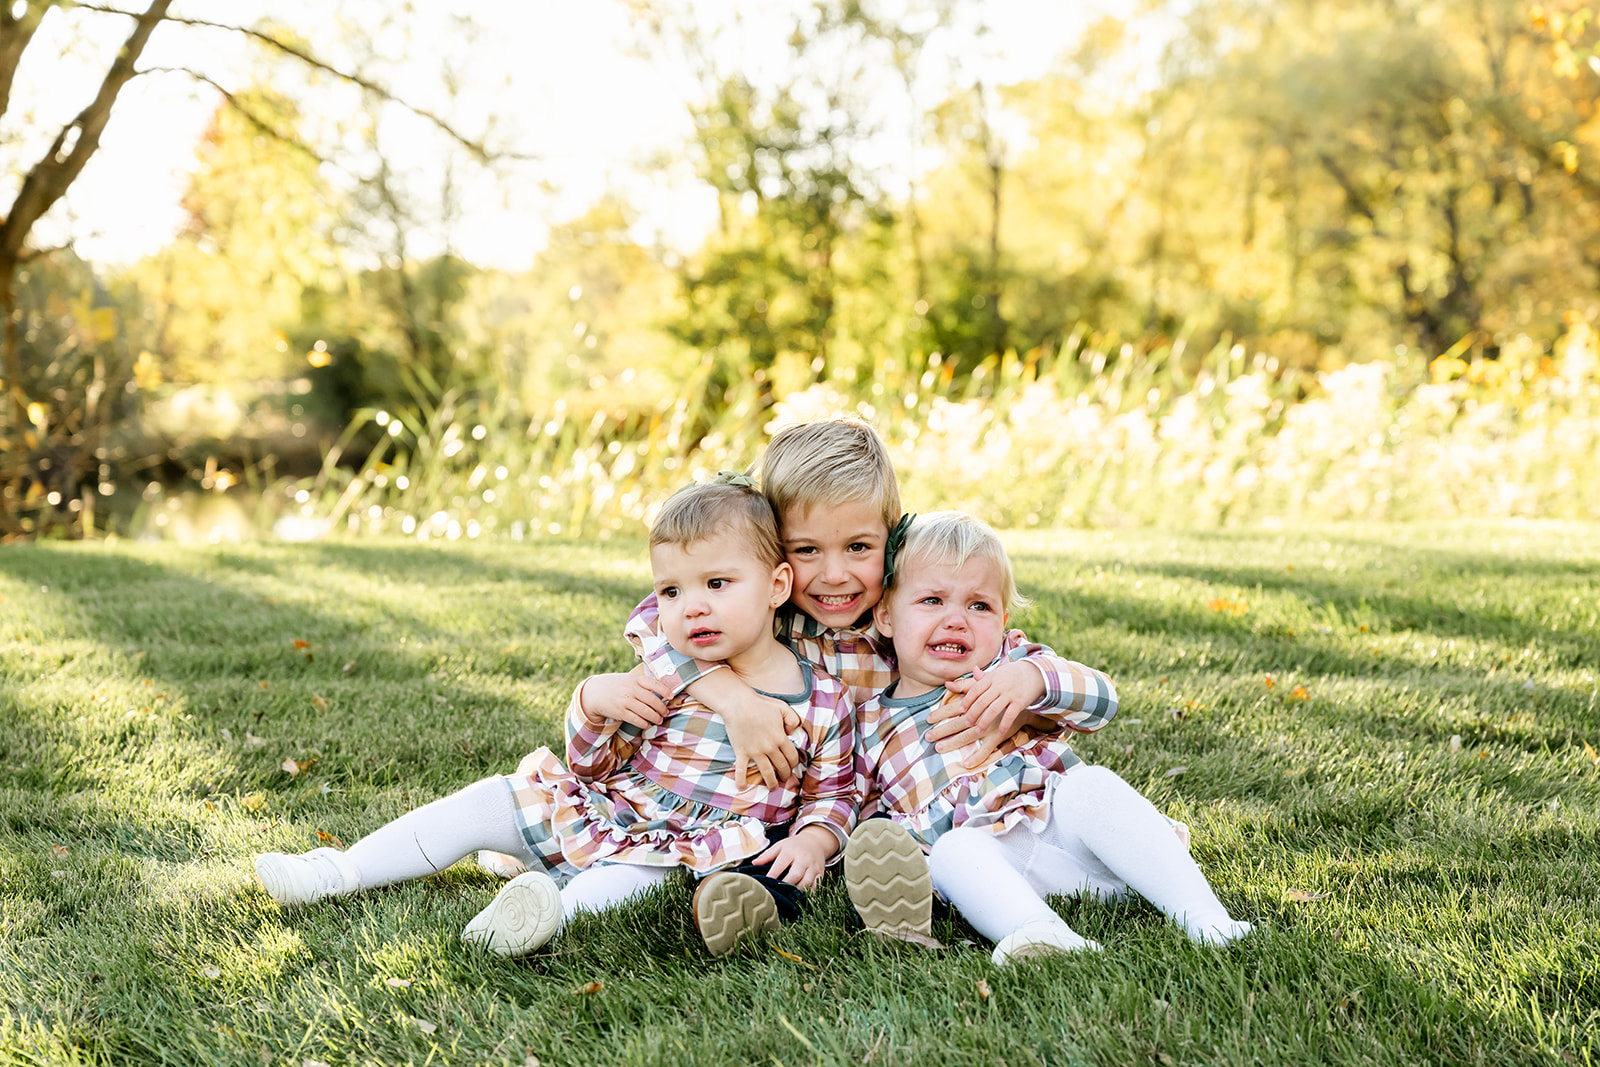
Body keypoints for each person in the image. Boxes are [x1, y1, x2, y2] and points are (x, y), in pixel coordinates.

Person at [254, 478, 856, 958]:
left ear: (776, 585)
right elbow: (590, 765)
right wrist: (594, 702)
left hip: (686, 842)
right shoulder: (666, 673)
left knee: (627, 878)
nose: (690, 606)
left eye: (717, 583)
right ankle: (343, 868)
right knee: (492, 799)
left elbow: (833, 790)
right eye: (670, 591)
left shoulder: (823, 700)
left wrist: (815, 837)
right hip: (607, 807)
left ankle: (539, 915)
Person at [599, 418, 1120, 941]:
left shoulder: (912, 621)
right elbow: (650, 623)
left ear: (892, 539)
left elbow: (1073, 691)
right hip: (779, 798)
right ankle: (759, 898)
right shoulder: (767, 614)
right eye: (806, 550)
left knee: (856, 847)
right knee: (780, 850)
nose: (833, 575)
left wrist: (1024, 691)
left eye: (858, 548)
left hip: (878, 800)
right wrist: (734, 701)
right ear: (774, 554)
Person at [853, 511, 1253, 964]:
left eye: (979, 605)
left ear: (1003, 619)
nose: (956, 620)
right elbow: (866, 815)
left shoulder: (1010, 662)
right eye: (932, 600)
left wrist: (1033, 679)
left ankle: (1205, 917)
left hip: (1079, 842)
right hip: (1001, 871)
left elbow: (1103, 701)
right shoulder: (869, 724)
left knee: (1090, 785)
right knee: (951, 852)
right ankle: (1042, 933)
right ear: (886, 615)